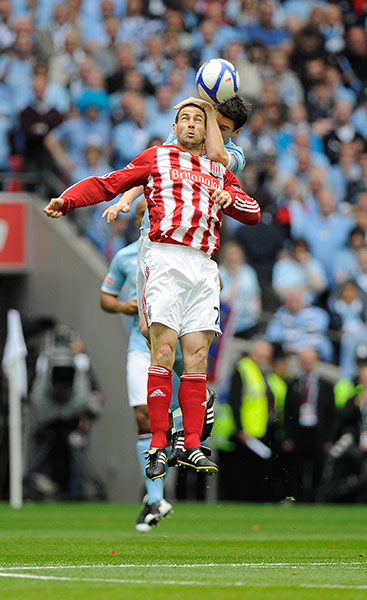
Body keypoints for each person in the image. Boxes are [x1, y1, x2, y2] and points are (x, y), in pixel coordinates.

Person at [44, 101, 261, 481]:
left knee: (197, 356)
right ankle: (158, 445)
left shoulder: (220, 170)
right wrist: (68, 199)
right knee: (164, 348)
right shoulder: (157, 157)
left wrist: (233, 199)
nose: (192, 124)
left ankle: (191, 444)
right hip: (165, 259)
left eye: (199, 118)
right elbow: (108, 183)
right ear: (174, 127)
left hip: (205, 266)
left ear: (209, 127)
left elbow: (253, 210)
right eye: (185, 118)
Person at [212, 339, 287, 502]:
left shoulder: (258, 371)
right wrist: (240, 428)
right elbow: (235, 401)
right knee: (241, 473)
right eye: (263, 354)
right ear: (254, 352)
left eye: (268, 355)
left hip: (256, 429)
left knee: (253, 472)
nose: (266, 358)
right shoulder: (244, 369)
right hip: (245, 432)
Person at [282, 347, 335, 502]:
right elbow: (287, 413)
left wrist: (329, 438)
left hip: (318, 432)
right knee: (296, 467)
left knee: (318, 467)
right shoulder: (293, 383)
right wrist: (288, 436)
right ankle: (297, 498)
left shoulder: (326, 385)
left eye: (310, 359)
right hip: (299, 431)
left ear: (316, 361)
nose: (307, 363)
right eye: (304, 360)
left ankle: (317, 498)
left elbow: (331, 414)